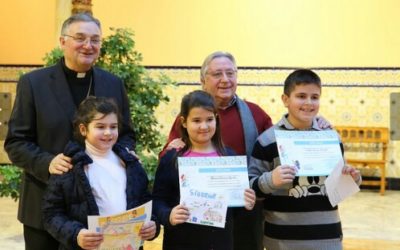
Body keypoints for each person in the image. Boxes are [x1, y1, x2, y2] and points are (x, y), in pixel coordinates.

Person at [4, 13, 135, 250]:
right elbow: (16, 142)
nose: (88, 45)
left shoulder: (113, 83)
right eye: (80, 38)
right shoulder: (34, 83)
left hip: (100, 208)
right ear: (63, 42)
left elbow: (126, 135)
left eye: (95, 40)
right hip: (45, 207)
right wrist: (47, 163)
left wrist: (124, 156)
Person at [162, 51, 272, 250]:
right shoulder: (187, 116)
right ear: (203, 80)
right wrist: (171, 149)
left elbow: (276, 147)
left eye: (230, 73)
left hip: (243, 212)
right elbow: (169, 160)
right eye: (217, 74)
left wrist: (315, 123)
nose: (225, 80)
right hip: (195, 220)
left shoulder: (255, 113)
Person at [248, 69, 362, 250]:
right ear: (285, 100)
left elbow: (338, 190)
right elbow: (250, 189)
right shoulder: (267, 141)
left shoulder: (331, 138)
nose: (309, 103)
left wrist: (352, 178)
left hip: (327, 238)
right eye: (301, 96)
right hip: (281, 240)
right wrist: (271, 180)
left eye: (315, 97)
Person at [42, 96, 158, 250]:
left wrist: (153, 224)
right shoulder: (68, 167)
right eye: (100, 127)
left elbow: (146, 202)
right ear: (83, 129)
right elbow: (51, 214)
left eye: (113, 126)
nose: (108, 133)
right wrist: (76, 234)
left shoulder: (131, 163)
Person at [153, 90, 256, 250]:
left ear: (216, 119)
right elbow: (158, 200)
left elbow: (234, 211)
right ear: (184, 122)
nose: (204, 126)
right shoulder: (171, 159)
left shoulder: (229, 158)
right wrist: (169, 215)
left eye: (209, 119)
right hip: (180, 242)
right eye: (196, 120)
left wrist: (245, 203)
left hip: (220, 243)